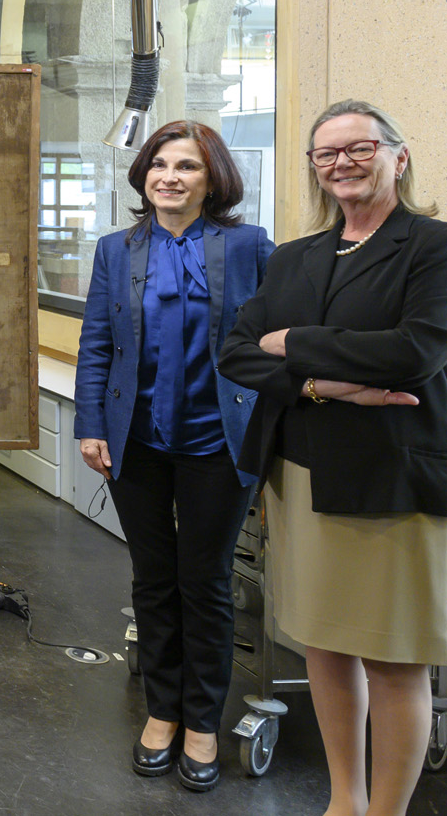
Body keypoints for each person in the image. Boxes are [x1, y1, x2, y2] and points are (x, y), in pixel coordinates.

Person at [218, 100, 446, 816]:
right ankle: (342, 801)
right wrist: (323, 381)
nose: (341, 162)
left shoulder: (431, 246)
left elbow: (415, 354)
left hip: (389, 477)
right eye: (326, 153)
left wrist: (294, 342)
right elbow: (234, 352)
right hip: (301, 476)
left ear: (397, 158)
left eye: (359, 147)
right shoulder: (296, 256)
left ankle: (387, 810)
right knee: (322, 644)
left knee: (393, 655)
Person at [74, 120, 274, 792]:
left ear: (211, 178)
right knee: (153, 579)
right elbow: (97, 342)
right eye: (159, 164)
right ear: (143, 175)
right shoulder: (117, 249)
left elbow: (274, 339)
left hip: (219, 441)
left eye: (186, 165)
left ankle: (202, 722)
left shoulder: (248, 246)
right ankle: (160, 711)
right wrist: (91, 423)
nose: (169, 176)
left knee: (207, 582)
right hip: (137, 439)